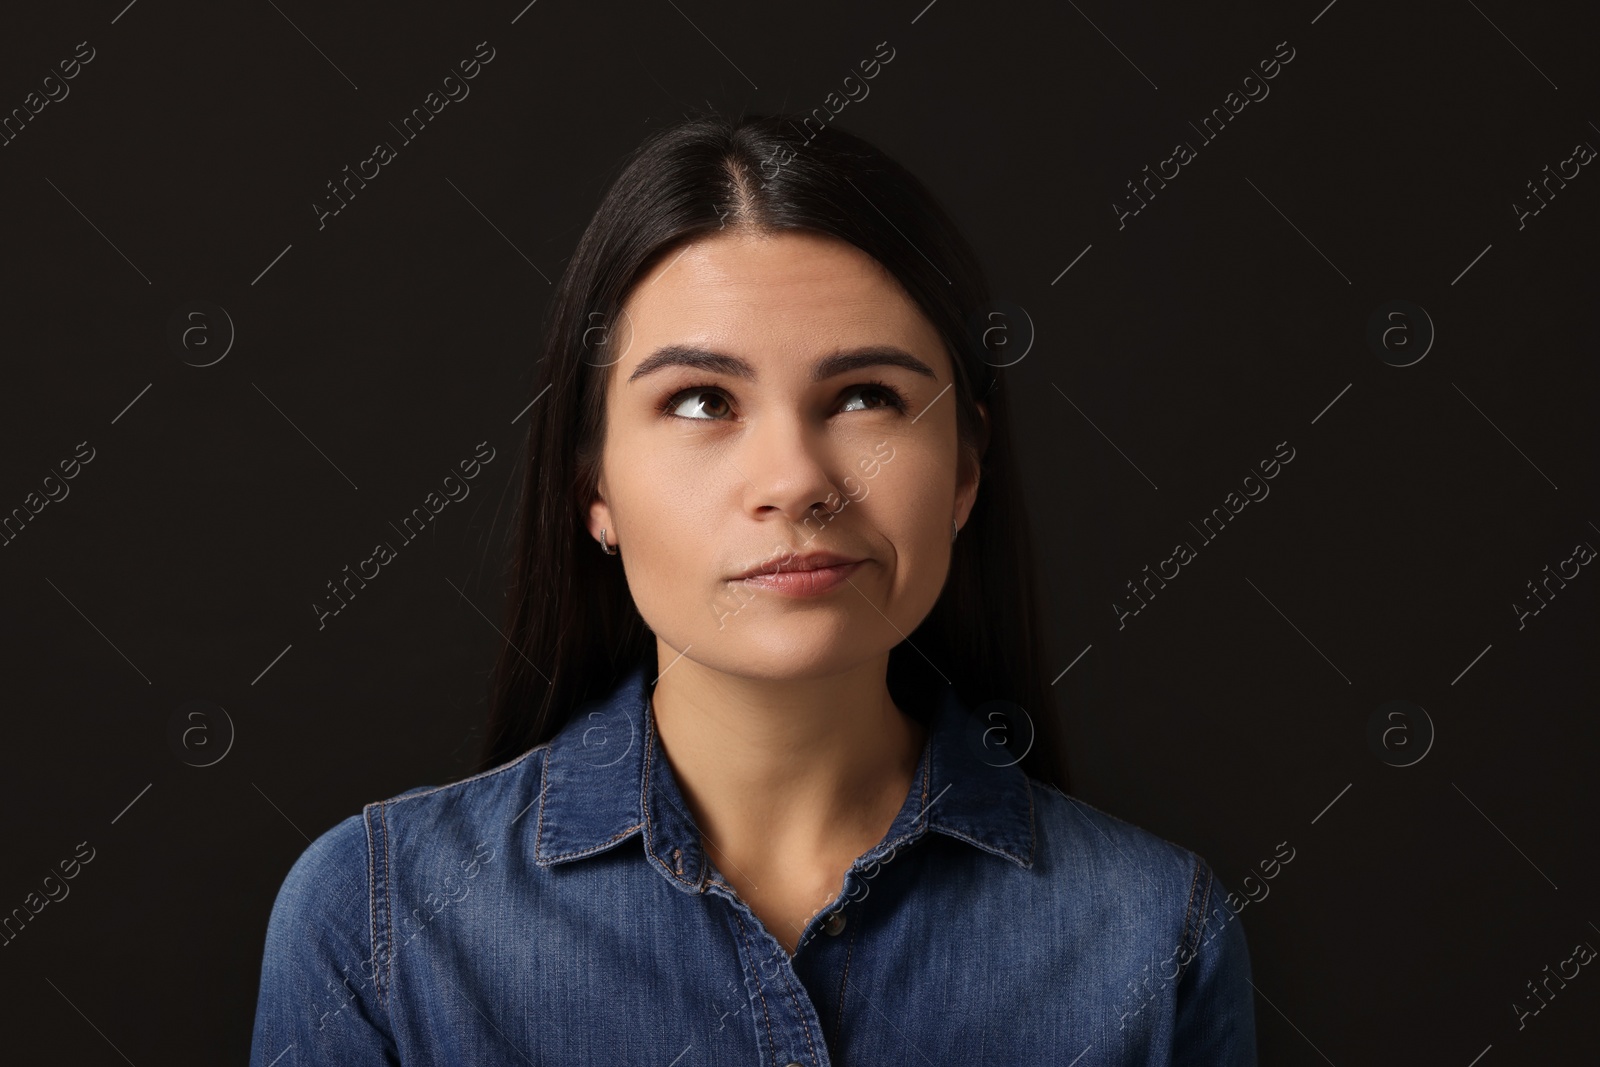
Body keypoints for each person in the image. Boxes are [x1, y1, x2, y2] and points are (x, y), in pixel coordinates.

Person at [249, 110, 1258, 1065]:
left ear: (963, 468)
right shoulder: (378, 918)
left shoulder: (1151, 933)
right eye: (701, 400)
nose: (795, 481)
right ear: (591, 484)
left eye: (867, 396)